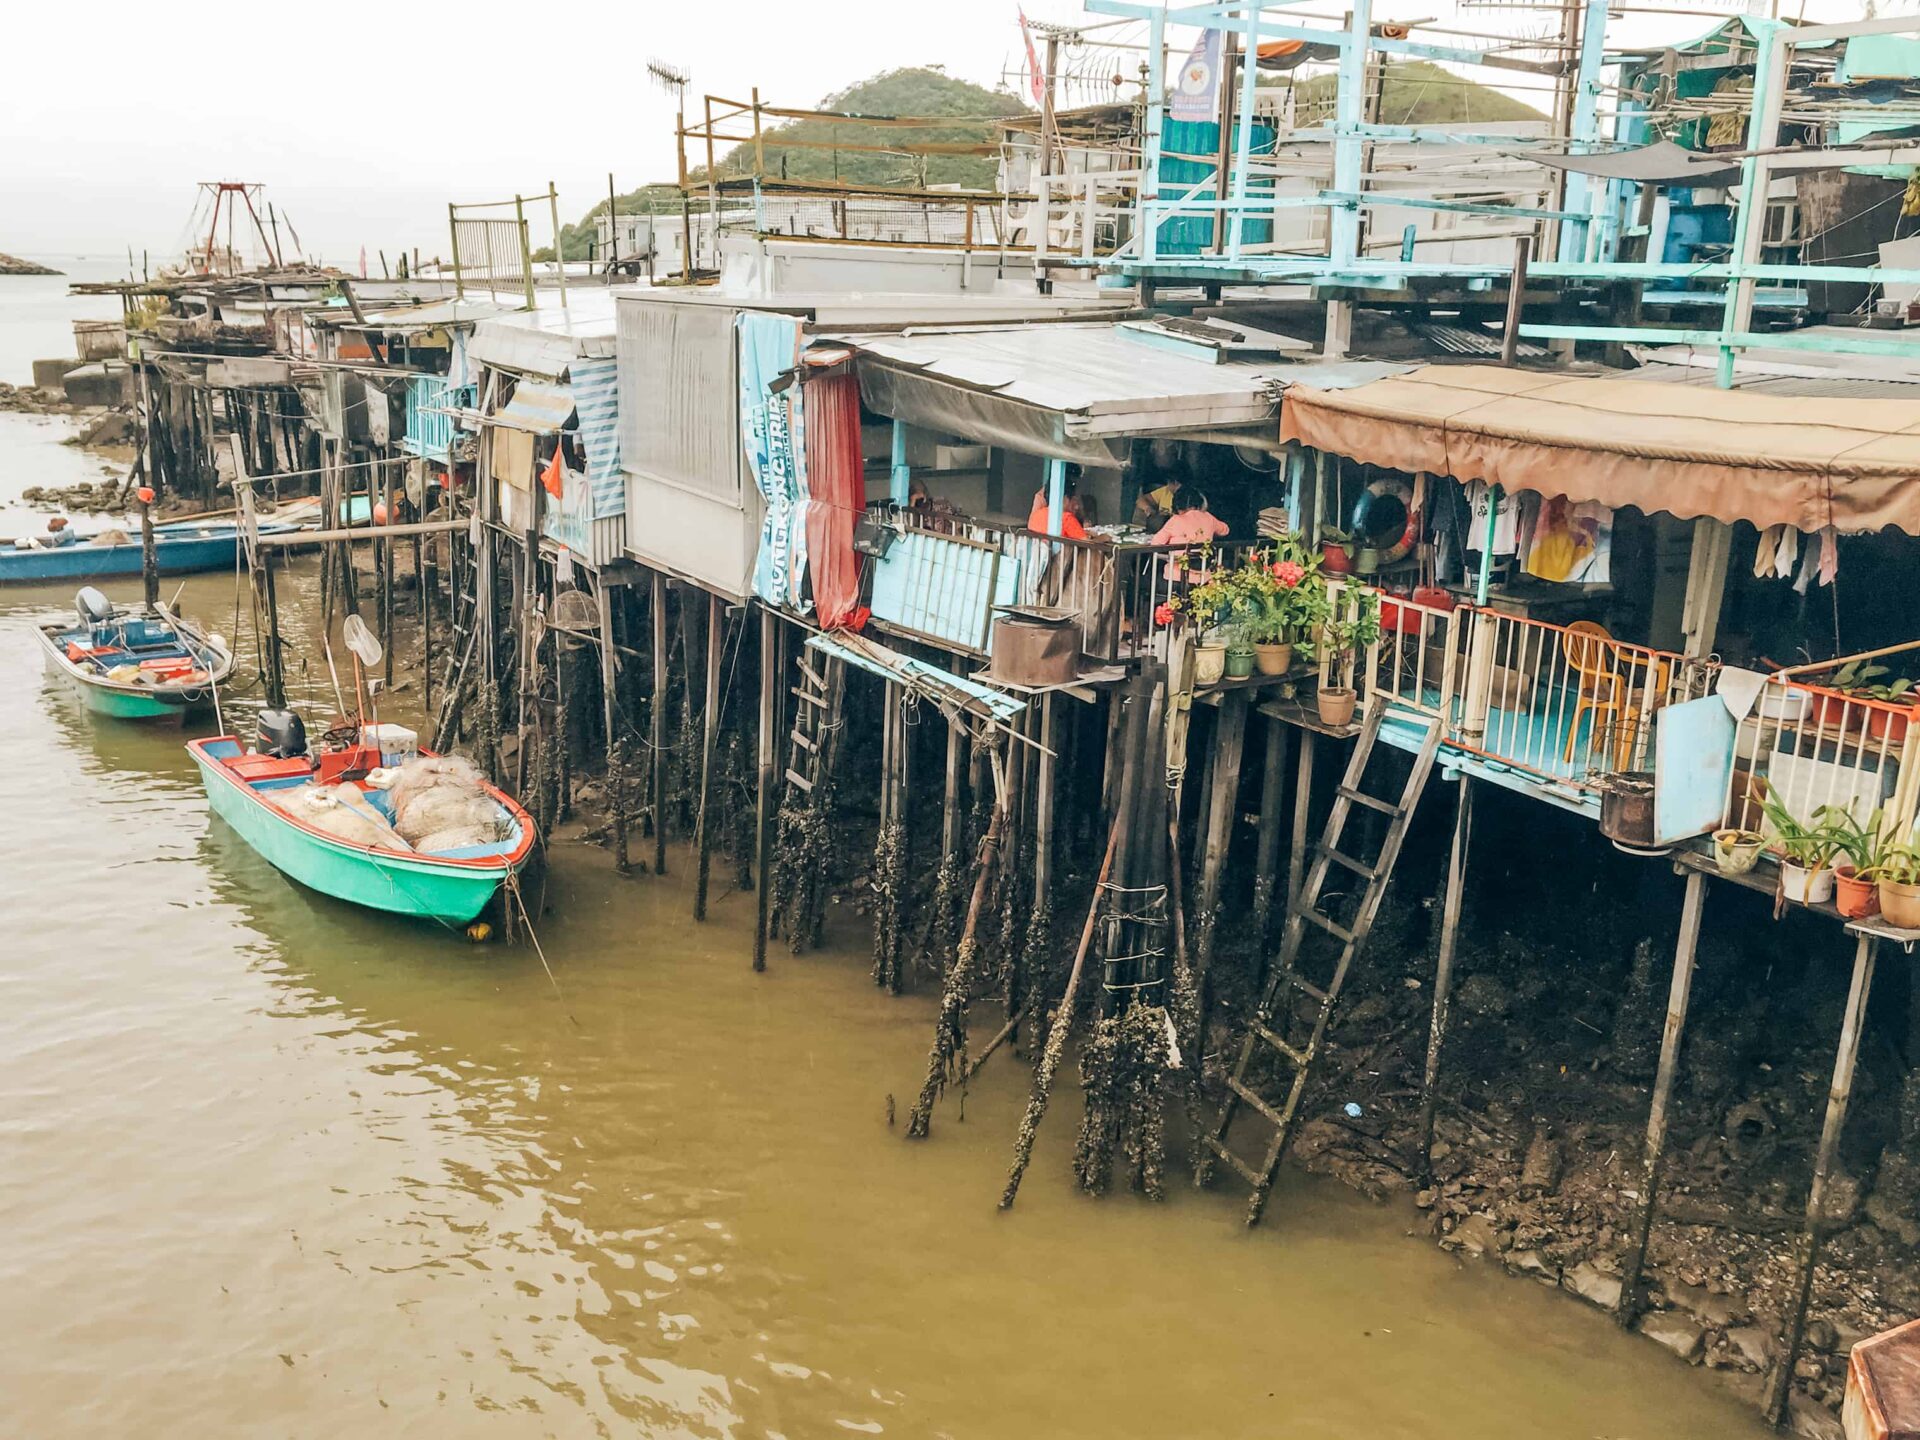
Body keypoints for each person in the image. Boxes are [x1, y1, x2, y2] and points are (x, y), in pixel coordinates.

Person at [1150, 489, 1229, 579]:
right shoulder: (1209, 518)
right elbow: (1225, 530)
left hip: (1177, 576)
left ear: (1177, 506)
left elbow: (1156, 543)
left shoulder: (1176, 520)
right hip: (1203, 577)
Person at [1028, 474, 1088, 540]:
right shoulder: (1067, 518)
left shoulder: (1036, 515)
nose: (1076, 507)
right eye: (1073, 500)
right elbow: (1088, 545)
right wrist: (1100, 538)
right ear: (1065, 498)